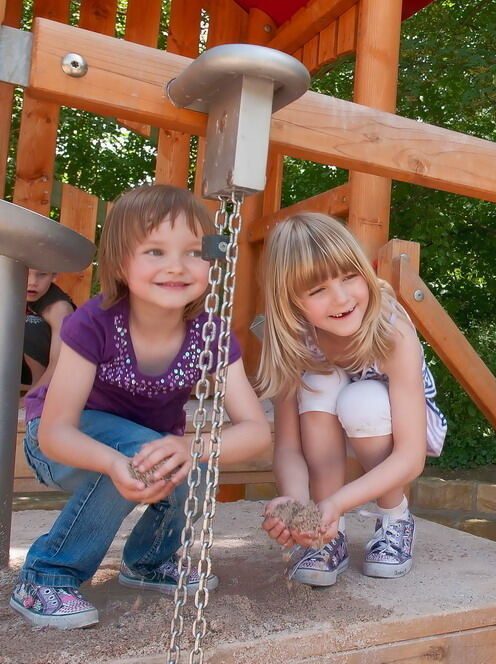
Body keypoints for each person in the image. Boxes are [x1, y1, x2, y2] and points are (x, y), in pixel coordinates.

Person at [10, 184, 271, 629]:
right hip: (58, 443)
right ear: (119, 262)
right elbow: (56, 432)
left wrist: (195, 446)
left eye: (193, 252)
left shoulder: (210, 333)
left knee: (192, 458)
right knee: (139, 457)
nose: (176, 266)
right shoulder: (93, 322)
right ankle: (47, 574)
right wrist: (114, 462)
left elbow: (255, 429)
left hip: (139, 444)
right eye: (154, 251)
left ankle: (148, 562)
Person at [257, 213, 446, 586]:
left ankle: (394, 518)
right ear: (289, 300)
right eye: (317, 290)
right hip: (327, 426)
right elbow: (289, 447)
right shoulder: (292, 340)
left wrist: (339, 501)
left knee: (363, 401)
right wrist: (296, 504)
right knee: (319, 383)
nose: (341, 298)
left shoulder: (392, 334)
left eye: (349, 277)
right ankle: (329, 536)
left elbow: (410, 456)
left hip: (392, 422)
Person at [22, 269, 75, 392]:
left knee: (31, 323)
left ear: (54, 275)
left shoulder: (59, 308)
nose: (33, 282)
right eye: (25, 272)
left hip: (51, 375)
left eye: (42, 274)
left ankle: (37, 391)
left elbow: (59, 362)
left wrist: (29, 399)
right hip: (13, 369)